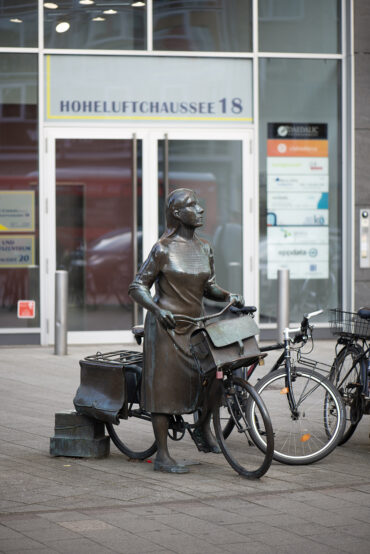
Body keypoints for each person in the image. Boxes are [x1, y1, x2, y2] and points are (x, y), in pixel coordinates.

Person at [129, 188, 243, 473]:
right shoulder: (162, 249)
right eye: (192, 205)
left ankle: (202, 429)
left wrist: (229, 295)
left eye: (199, 204)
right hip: (166, 327)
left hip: (195, 326)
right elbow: (137, 286)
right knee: (164, 389)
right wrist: (157, 310)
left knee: (215, 377)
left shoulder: (205, 247)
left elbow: (209, 288)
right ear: (178, 214)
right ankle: (163, 456)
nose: (201, 209)